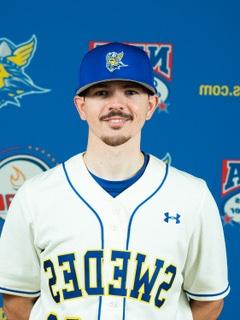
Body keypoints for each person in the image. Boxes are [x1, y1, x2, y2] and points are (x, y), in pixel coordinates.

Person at [0, 42, 229, 320]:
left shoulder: (192, 196)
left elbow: (208, 302)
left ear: (151, 105)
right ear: (81, 106)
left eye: (131, 92)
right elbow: (16, 301)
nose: (116, 104)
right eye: (101, 93)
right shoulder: (35, 195)